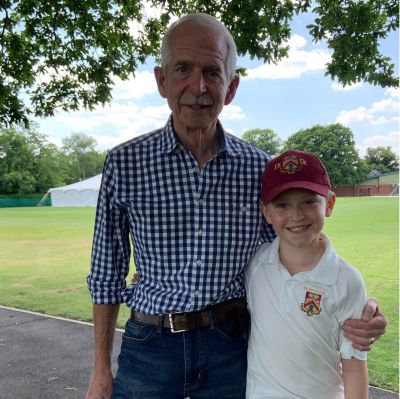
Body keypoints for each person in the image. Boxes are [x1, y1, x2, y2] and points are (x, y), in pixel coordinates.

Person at [86, 13, 386, 399]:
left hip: (229, 345)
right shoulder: (124, 164)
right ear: (162, 81)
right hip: (150, 345)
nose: (198, 86)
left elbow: (291, 253)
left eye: (213, 72)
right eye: (183, 69)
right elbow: (106, 274)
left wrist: (359, 304)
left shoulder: (259, 169)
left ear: (230, 88)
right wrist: (99, 370)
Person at [245, 150, 369, 398]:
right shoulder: (255, 263)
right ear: (266, 212)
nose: (297, 215)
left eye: (309, 201)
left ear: (329, 204)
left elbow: (354, 366)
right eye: (282, 205)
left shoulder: (347, 281)